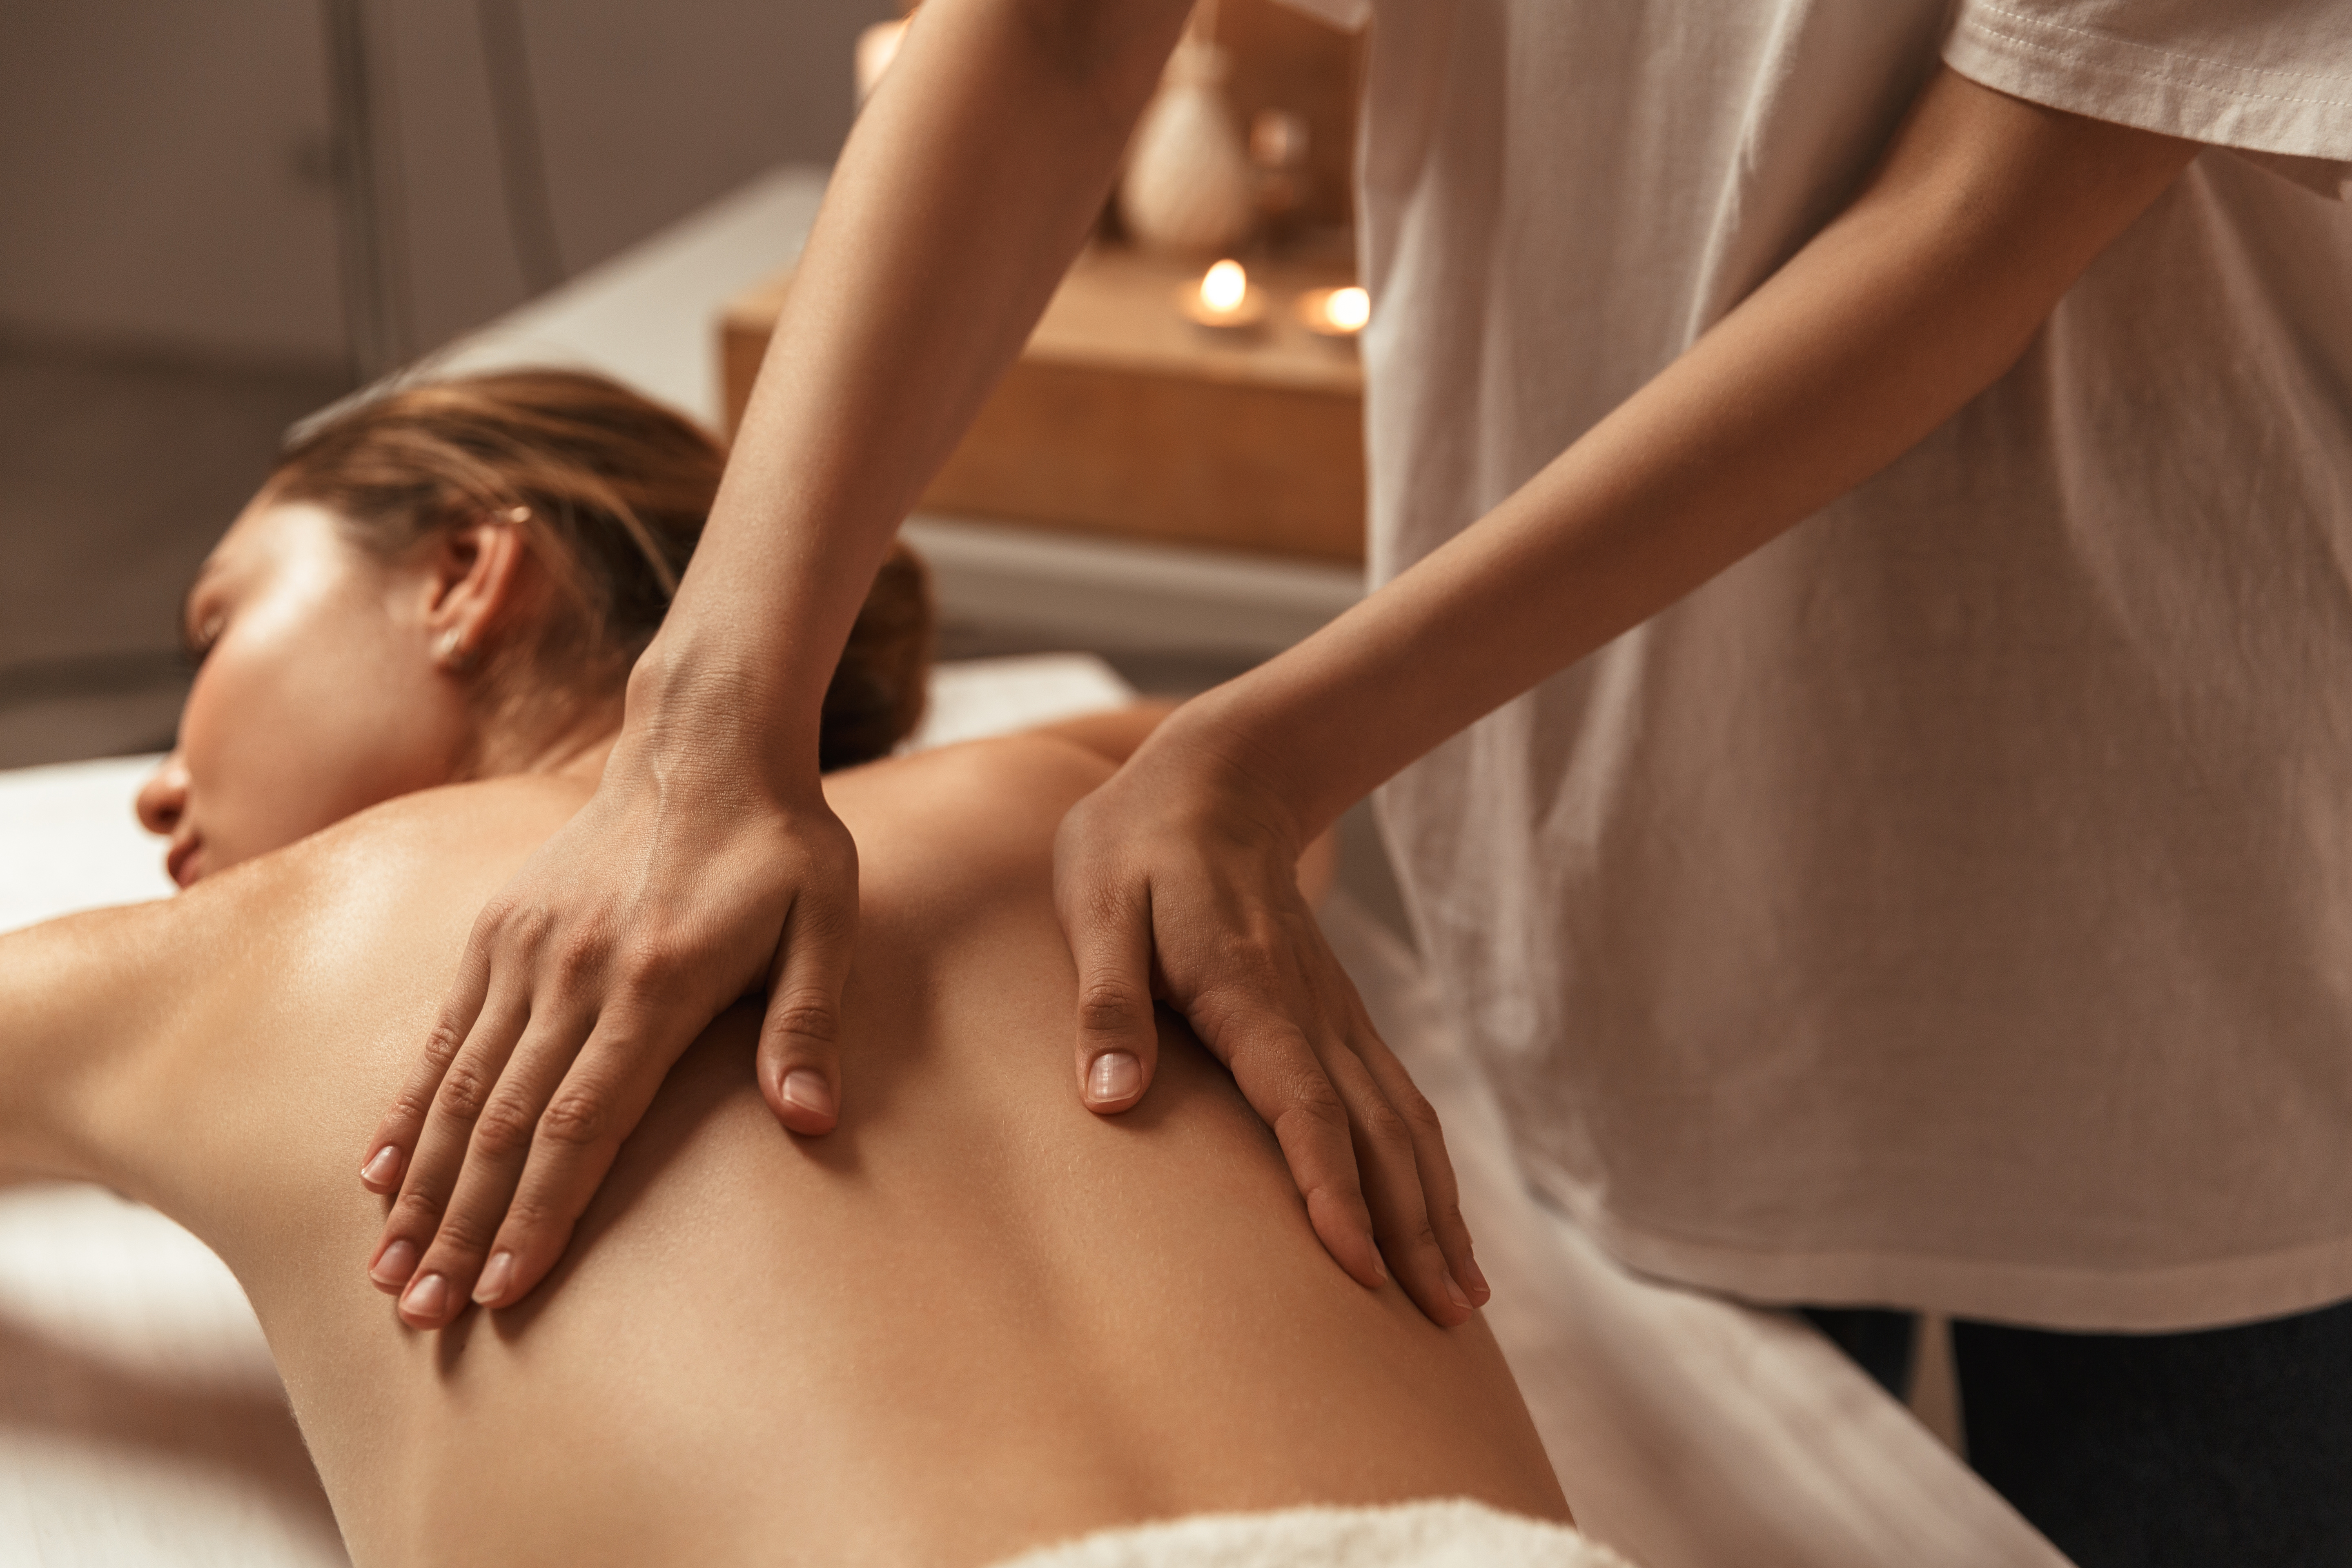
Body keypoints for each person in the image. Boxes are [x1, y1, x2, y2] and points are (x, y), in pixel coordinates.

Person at [361, 3, 2352, 1558]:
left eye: (216, 608)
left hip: (2190, 898)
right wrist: (710, 721)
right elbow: (1059, 25)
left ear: (472, 575)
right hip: (1616, 840)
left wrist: (1272, 741)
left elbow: (1980, 211)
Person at [0, 369, 1606, 1567]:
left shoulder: (255, 948)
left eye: (216, 629)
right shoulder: (1106, 821)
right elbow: (1275, 807)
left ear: (462, 578)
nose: (156, 787)